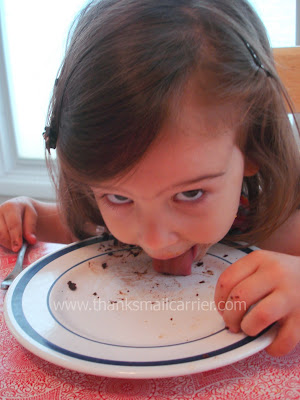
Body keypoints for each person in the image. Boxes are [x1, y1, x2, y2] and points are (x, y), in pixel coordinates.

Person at [0, 0, 299, 356]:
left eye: (190, 193)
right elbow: (60, 225)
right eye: (119, 197)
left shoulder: (282, 230)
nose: (155, 240)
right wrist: (24, 212)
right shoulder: (107, 221)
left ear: (252, 144)